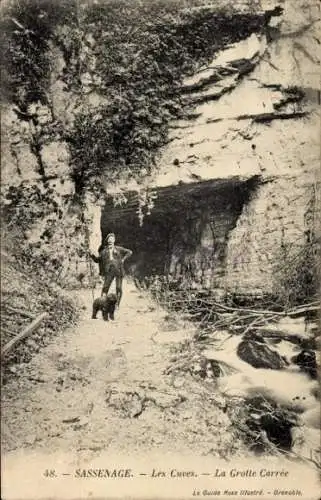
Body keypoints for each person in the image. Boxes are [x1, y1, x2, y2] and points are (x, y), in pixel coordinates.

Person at [90, 233, 132, 307]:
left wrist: (123, 259)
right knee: (105, 287)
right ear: (107, 241)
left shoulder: (119, 249)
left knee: (119, 288)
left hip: (118, 270)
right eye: (109, 240)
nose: (110, 241)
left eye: (112, 240)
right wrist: (91, 255)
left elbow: (129, 252)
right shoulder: (103, 251)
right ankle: (103, 303)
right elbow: (97, 260)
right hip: (109, 271)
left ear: (114, 241)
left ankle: (117, 305)